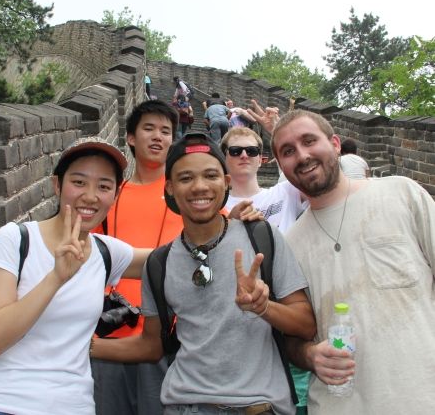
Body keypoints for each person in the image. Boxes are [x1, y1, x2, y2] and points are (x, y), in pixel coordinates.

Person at [92, 131, 316, 415]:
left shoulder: (262, 238)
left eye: (210, 176)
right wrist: (86, 346)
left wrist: (264, 307)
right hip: (185, 406)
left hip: (256, 406)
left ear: (226, 182)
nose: (199, 187)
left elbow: (306, 325)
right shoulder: (159, 264)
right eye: (186, 179)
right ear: (170, 187)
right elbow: (151, 346)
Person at [251, 106, 435, 415]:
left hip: (422, 396)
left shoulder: (401, 194)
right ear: (281, 164)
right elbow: (293, 340)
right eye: (288, 151)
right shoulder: (288, 244)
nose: (302, 155)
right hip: (338, 405)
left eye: (310, 141)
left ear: (335, 144)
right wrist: (310, 355)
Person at [91, 101, 261, 415]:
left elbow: (219, 238)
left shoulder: (189, 192)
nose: (158, 137)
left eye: (166, 131)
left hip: (171, 337)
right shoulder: (110, 194)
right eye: (148, 129)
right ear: (130, 137)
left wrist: (239, 219)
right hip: (114, 335)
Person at [0, 137, 151, 415]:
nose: (91, 196)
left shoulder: (106, 253)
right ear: (57, 185)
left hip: (73, 406)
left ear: (115, 195)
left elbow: (175, 257)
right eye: (79, 182)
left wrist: (237, 223)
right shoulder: (16, 240)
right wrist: (56, 277)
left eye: (104, 186)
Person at [220, 127, 310, 414]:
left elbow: (314, 164)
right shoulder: (213, 209)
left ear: (263, 159)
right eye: (236, 151)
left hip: (288, 312)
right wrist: (228, 224)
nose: (244, 155)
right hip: (240, 324)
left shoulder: (285, 192)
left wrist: (277, 128)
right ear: (224, 158)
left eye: (252, 151)